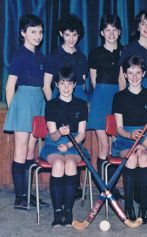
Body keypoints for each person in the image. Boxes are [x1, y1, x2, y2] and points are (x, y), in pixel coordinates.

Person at [4, 14, 48, 210]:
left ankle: (29, 194)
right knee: (20, 151)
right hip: (23, 105)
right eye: (33, 32)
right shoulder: (18, 55)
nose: (37, 36)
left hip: (37, 104)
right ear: (23, 33)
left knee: (32, 150)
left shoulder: (41, 57)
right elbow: (9, 86)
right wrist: (16, 111)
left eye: (40, 32)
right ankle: (19, 196)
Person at [112, 55, 147, 224]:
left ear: (144, 74)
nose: (134, 77)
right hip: (125, 139)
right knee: (131, 158)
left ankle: (143, 206)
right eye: (130, 72)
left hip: (146, 140)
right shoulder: (119, 97)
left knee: (143, 157)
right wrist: (129, 135)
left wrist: (144, 144)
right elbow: (119, 128)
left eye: (138, 72)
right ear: (125, 74)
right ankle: (128, 205)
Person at [39, 67, 89, 227]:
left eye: (69, 83)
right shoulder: (51, 105)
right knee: (59, 164)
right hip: (54, 143)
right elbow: (52, 135)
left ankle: (68, 211)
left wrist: (68, 144)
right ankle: (57, 212)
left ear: (75, 85)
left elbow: (81, 134)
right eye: (62, 83)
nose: (66, 87)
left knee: (70, 164)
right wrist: (60, 132)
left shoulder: (81, 104)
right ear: (57, 85)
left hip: (73, 144)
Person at [87, 14, 123, 200]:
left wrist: (122, 102)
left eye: (114, 30)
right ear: (102, 32)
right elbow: (93, 80)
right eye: (107, 30)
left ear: (119, 32)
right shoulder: (95, 54)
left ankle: (112, 186)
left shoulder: (124, 52)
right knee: (104, 145)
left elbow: (124, 80)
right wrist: (101, 96)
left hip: (118, 99)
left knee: (115, 146)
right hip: (101, 99)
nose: (111, 33)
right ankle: (103, 188)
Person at [118, 10, 147, 123]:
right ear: (138, 27)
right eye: (143, 23)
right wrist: (123, 99)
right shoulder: (129, 49)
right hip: (134, 92)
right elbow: (121, 78)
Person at [43, 14, 88, 101]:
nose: (71, 39)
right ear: (61, 33)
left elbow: (83, 85)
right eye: (67, 35)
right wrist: (52, 104)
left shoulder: (82, 57)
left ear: (79, 34)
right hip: (60, 98)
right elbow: (46, 86)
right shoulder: (53, 56)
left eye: (74, 35)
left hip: (79, 98)